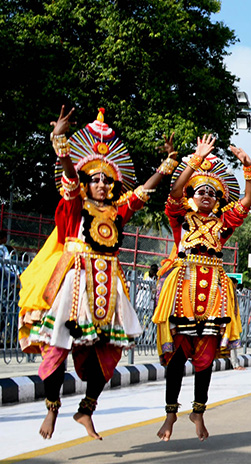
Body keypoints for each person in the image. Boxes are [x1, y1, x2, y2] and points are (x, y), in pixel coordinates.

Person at [19, 107, 174, 440]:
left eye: (107, 179)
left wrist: (167, 166)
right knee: (58, 346)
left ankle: (86, 409)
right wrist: (60, 143)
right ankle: (52, 408)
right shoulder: (75, 205)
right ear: (86, 182)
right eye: (95, 178)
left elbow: (142, 194)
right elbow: (69, 180)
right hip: (75, 282)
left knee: (108, 354)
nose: (102, 183)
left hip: (108, 286)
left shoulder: (116, 212)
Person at [152, 134, 251, 441]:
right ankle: (170, 415)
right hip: (182, 289)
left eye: (212, 192)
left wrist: (248, 169)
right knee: (177, 359)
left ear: (218, 198)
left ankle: (198, 411)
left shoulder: (222, 224)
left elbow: (247, 201)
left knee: (205, 361)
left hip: (213, 294)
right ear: (192, 195)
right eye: (200, 191)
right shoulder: (181, 218)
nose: (207, 195)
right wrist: (195, 160)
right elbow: (173, 192)